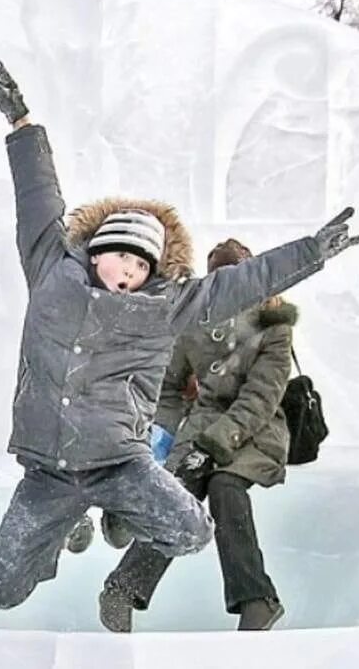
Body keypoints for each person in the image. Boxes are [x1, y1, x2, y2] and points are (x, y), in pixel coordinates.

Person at [0, 62, 359, 612]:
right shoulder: (50, 267)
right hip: (48, 468)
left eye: (138, 263)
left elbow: (241, 283)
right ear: (97, 250)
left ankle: (115, 516)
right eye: (119, 256)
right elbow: (37, 194)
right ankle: (59, 536)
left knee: (192, 533)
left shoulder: (166, 305)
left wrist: (311, 253)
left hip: (119, 463)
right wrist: (21, 121)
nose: (126, 271)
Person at [99, 238, 296, 633]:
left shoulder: (274, 323)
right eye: (221, 278)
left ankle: (257, 599)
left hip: (256, 429)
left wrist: (214, 445)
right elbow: (168, 389)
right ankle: (123, 587)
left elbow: (262, 395)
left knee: (225, 486)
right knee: (179, 491)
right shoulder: (194, 324)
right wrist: (156, 440)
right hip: (203, 422)